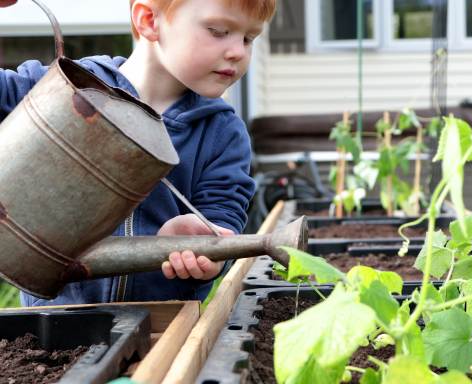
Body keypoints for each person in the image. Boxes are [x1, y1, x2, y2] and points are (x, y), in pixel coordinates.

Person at [0, 0, 274, 306]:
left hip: (164, 331)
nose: (238, 51)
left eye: (249, 38)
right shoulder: (59, 89)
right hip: (55, 327)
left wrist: (207, 249)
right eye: (218, 31)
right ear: (149, 20)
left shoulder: (223, 134)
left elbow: (223, 216)